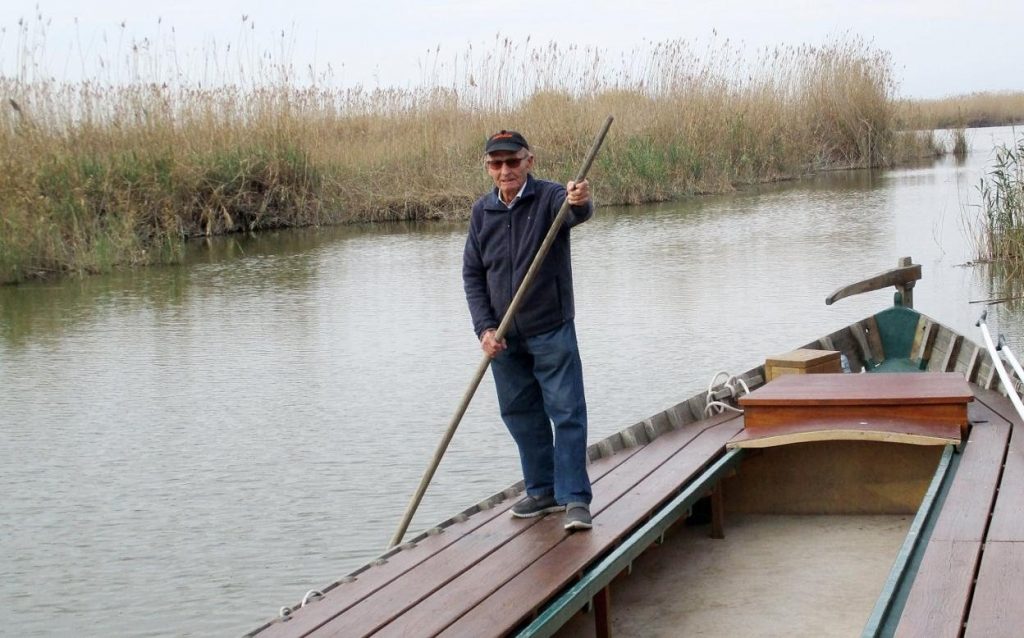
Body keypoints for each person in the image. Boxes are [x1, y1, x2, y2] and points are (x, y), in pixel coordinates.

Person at [462, 129, 594, 531]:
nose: (505, 171)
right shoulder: (482, 212)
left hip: (549, 327)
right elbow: (472, 274)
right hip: (503, 336)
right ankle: (542, 490)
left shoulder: (552, 197)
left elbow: (576, 211)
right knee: (520, 413)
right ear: (488, 168)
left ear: (529, 161)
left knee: (566, 411)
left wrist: (580, 199)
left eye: (512, 162)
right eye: (496, 164)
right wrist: (485, 328)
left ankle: (574, 498)